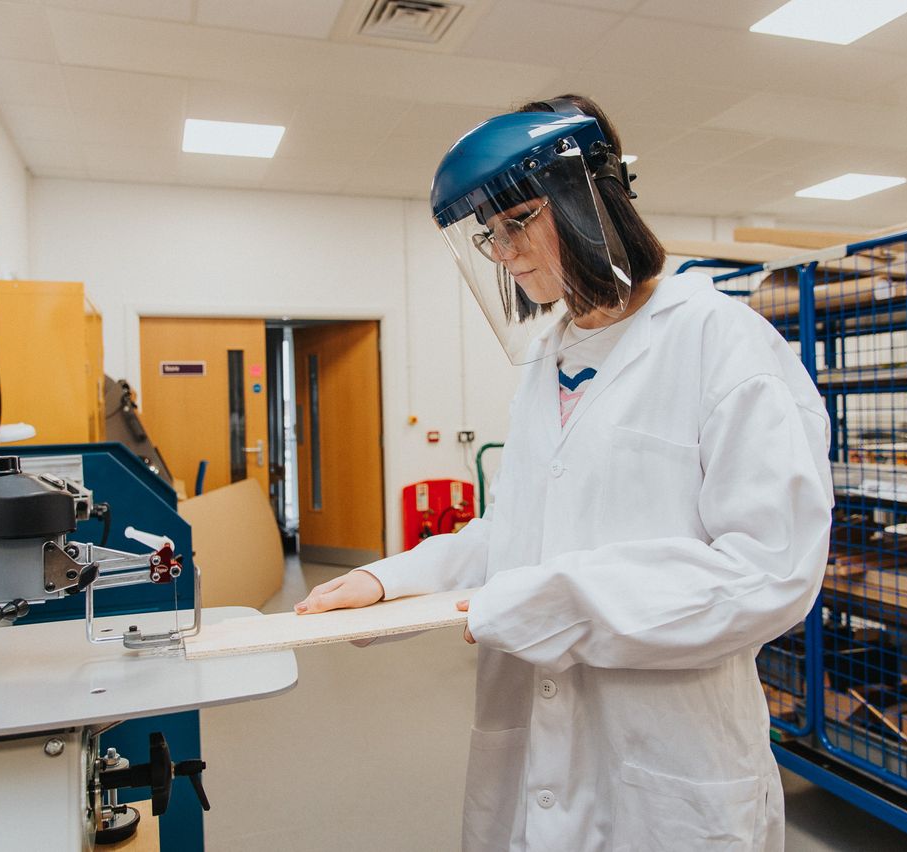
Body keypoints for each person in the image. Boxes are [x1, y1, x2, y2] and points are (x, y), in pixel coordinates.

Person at [295, 94, 833, 851]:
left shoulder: (722, 343)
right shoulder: (552, 360)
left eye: (519, 221)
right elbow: (518, 530)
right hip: (538, 741)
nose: (505, 252)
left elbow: (771, 573)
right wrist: (394, 581)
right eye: (490, 233)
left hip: (670, 754)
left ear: (590, 197)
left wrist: (553, 603)